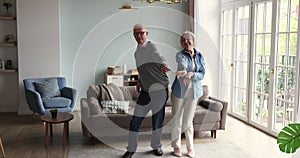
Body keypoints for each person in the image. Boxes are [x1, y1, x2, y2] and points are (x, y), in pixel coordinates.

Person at [122, 24, 170, 158]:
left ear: (146, 34)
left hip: (160, 89)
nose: (138, 36)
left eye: (141, 33)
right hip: (146, 91)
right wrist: (139, 81)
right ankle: (131, 149)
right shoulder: (137, 52)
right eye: (136, 34)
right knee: (135, 120)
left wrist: (164, 64)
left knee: (157, 120)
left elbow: (159, 56)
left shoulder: (151, 46)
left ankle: (157, 146)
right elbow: (143, 70)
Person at [171, 31, 205, 157]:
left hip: (194, 92)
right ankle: (176, 146)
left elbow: (202, 73)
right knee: (176, 120)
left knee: (188, 121)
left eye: (188, 40)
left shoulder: (200, 56)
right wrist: (184, 71)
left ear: (193, 41)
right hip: (179, 91)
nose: (186, 42)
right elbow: (182, 64)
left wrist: (192, 74)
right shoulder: (180, 55)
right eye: (183, 40)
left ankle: (190, 147)